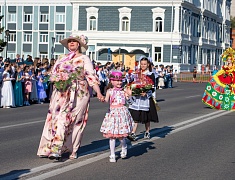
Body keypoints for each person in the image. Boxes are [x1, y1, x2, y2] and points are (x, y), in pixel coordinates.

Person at [37, 34, 104, 160]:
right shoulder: (61, 58)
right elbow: (53, 73)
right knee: (59, 119)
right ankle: (55, 149)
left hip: (79, 93)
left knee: (76, 121)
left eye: (74, 41)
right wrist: (55, 79)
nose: (71, 43)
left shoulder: (84, 58)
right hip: (61, 92)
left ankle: (73, 149)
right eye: (69, 41)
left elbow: (91, 77)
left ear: (79, 44)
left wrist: (98, 92)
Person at [100, 71, 134, 162]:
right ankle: (112, 154)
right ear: (112, 81)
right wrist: (102, 99)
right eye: (117, 81)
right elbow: (106, 100)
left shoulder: (124, 91)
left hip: (122, 113)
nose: (119, 83)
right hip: (112, 113)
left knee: (121, 135)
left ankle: (124, 146)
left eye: (120, 81)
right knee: (112, 135)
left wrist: (130, 95)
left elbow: (130, 102)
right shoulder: (109, 91)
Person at [127, 57, 159, 141]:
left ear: (148, 64)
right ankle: (133, 133)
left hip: (145, 98)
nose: (143, 66)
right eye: (141, 64)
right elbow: (131, 82)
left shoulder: (150, 74)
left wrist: (146, 92)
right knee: (135, 115)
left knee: (146, 116)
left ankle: (147, 131)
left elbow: (153, 87)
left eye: (145, 64)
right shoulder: (137, 73)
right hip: (137, 96)